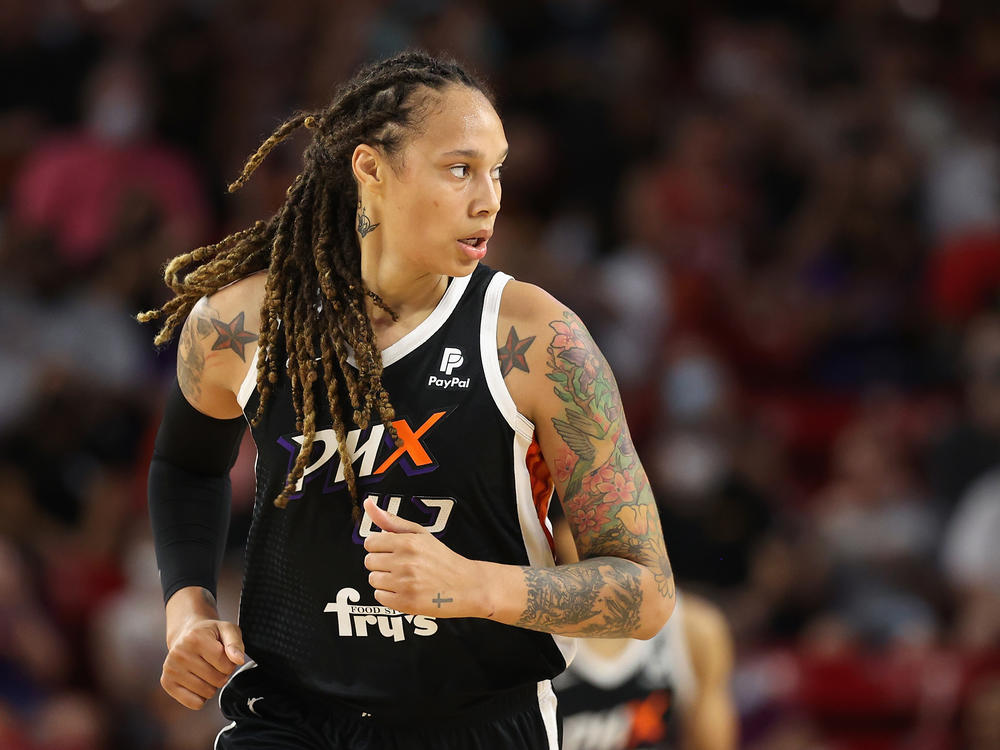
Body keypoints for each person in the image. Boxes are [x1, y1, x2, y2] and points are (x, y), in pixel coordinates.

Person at [137, 50, 674, 750]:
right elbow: (186, 467)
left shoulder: (538, 339)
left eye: (497, 170)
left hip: (475, 722)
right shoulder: (239, 325)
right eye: (460, 169)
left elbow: (647, 591)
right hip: (289, 720)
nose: (489, 199)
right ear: (371, 171)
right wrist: (188, 607)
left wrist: (475, 586)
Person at [551, 515, 738, 750]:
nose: (603, 533)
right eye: (585, 518)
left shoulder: (694, 630)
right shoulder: (528, 638)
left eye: (618, 511)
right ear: (557, 530)